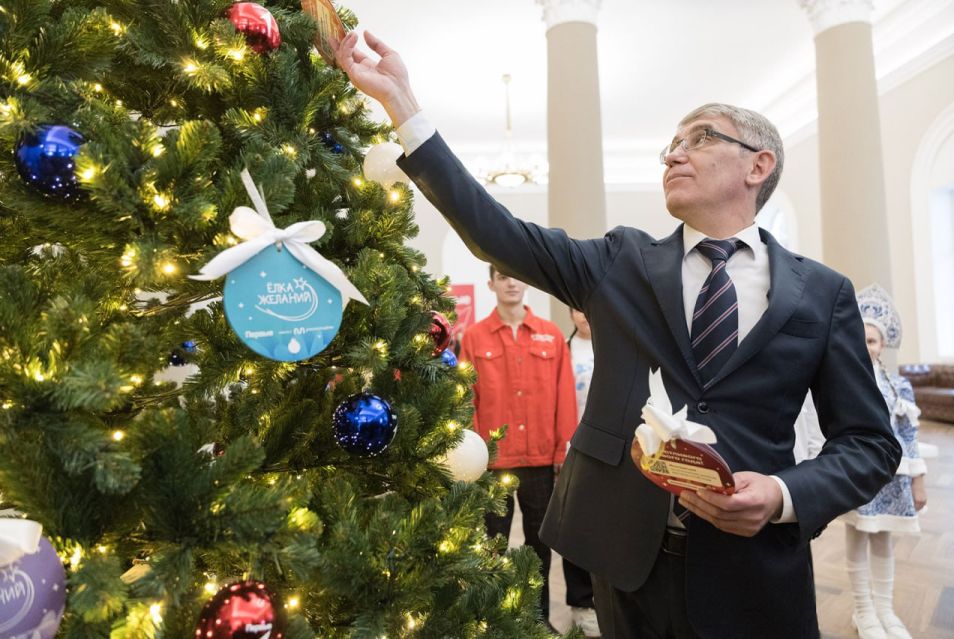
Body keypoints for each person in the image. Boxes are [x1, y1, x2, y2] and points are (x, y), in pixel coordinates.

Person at [333, 31, 901, 639]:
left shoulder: (822, 293)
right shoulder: (619, 262)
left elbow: (869, 443)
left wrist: (784, 495)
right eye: (671, 145)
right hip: (628, 562)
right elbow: (496, 232)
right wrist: (402, 103)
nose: (673, 155)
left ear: (758, 166)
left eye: (700, 138)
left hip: (754, 569)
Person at [459, 265, 578, 628]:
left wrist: (562, 452)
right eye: (503, 277)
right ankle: (495, 621)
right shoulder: (474, 337)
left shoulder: (551, 335)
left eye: (517, 275)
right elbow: (467, 399)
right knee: (492, 544)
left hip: (540, 460)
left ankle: (539, 619)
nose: (512, 282)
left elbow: (565, 397)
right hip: (492, 463)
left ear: (526, 282)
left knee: (540, 545)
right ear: (491, 284)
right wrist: (474, 456)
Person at [843, 284, 927, 639]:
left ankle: (885, 609)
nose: (866, 346)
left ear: (882, 345)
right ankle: (863, 611)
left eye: (872, 340)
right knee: (857, 536)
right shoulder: (843, 381)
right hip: (856, 473)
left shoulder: (898, 386)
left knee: (883, 539)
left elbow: (908, 434)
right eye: (860, 339)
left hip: (891, 477)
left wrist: (918, 480)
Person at [564, 308, 601, 637]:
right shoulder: (563, 349)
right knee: (574, 529)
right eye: (577, 308)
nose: (584, 314)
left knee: (608, 530)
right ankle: (581, 603)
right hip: (572, 451)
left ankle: (610, 601)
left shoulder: (614, 345)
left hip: (611, 455)